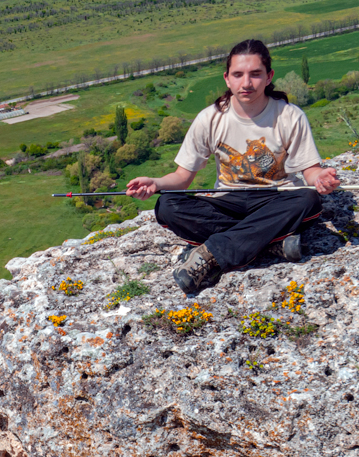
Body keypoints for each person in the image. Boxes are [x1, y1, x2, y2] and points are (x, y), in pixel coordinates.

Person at [127, 39, 339, 295]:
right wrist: (156, 183)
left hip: (276, 201)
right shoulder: (210, 118)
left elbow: (310, 172)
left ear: (269, 77)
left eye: (255, 74)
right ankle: (268, 242)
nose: (246, 83)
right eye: (238, 75)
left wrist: (320, 179)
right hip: (228, 202)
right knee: (167, 205)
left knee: (308, 199)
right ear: (227, 79)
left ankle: (212, 253)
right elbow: (182, 178)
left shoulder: (289, 116)